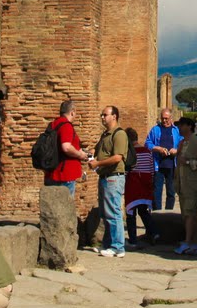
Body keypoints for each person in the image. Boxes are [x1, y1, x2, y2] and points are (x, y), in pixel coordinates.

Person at [90, 105, 130, 256]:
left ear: (114, 116)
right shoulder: (105, 134)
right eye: (102, 114)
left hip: (114, 177)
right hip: (105, 177)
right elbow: (99, 150)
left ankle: (118, 247)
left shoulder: (119, 134)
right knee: (105, 213)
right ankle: (108, 244)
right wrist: (91, 153)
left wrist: (98, 163)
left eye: (105, 115)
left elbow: (117, 157)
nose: (102, 117)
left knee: (113, 212)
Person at [174, 121, 197, 254]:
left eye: (182, 125)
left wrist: (189, 162)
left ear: (189, 126)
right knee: (189, 214)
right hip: (183, 184)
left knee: (189, 213)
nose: (179, 127)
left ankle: (188, 242)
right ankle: (195, 242)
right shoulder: (182, 143)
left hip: (193, 184)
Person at [43, 99, 88, 194]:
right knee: (65, 207)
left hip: (52, 173)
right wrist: (79, 155)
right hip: (64, 175)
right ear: (72, 112)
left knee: (53, 207)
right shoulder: (66, 126)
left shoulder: (53, 124)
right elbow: (66, 147)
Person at [123, 128, 159, 248]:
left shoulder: (130, 153)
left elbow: (127, 171)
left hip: (133, 186)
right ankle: (153, 233)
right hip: (145, 184)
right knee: (144, 212)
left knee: (131, 214)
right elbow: (152, 170)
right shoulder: (147, 152)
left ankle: (133, 240)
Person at [146, 108, 181, 212]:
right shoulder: (155, 129)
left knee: (171, 192)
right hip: (158, 165)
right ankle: (157, 213)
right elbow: (147, 143)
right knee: (157, 191)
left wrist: (176, 150)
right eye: (162, 118)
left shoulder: (176, 130)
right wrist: (158, 148)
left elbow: (183, 144)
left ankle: (168, 213)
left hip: (172, 165)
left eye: (166, 118)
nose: (164, 120)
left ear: (171, 118)